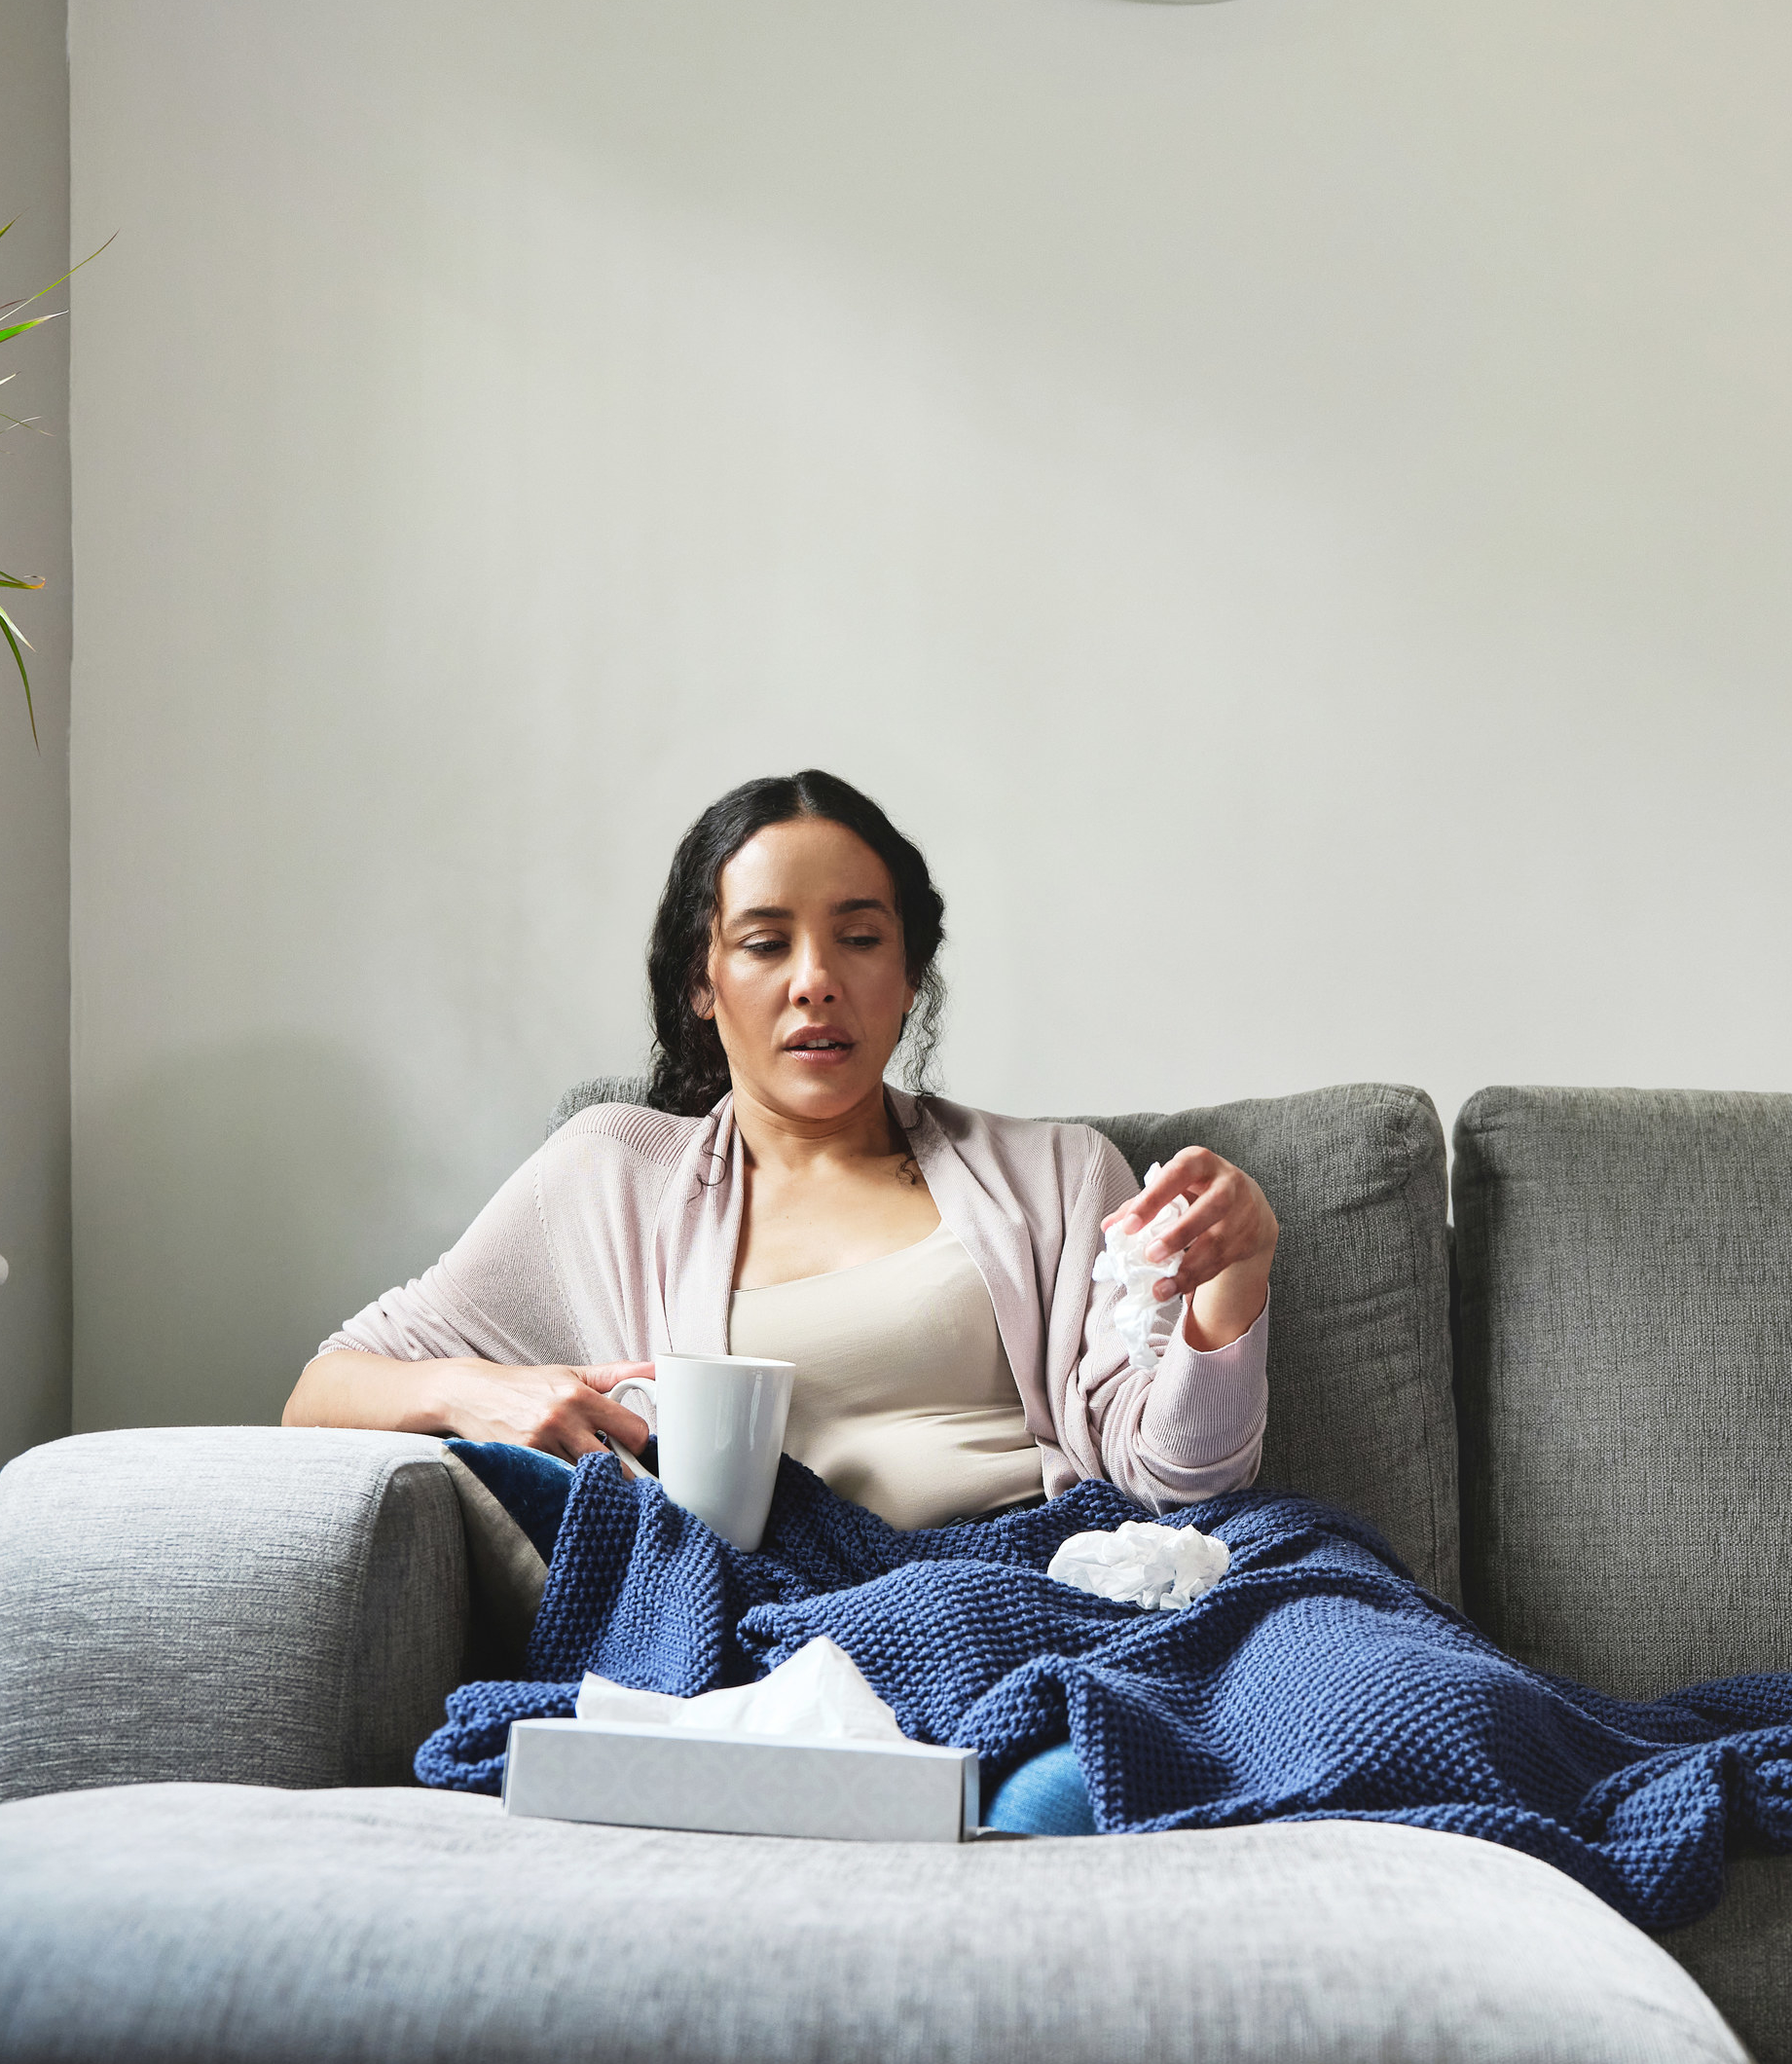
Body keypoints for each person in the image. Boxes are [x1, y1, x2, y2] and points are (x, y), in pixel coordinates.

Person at [287, 771, 1280, 1830]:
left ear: (908, 975)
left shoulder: (1060, 1174)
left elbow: (1182, 1483)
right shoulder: (610, 1175)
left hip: (1035, 1594)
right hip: (798, 1621)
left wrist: (1237, 1276)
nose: (816, 981)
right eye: (765, 943)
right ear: (700, 982)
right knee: (1050, 1788)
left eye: (859, 938)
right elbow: (320, 1391)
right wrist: (479, 1396)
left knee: (1296, 1675)